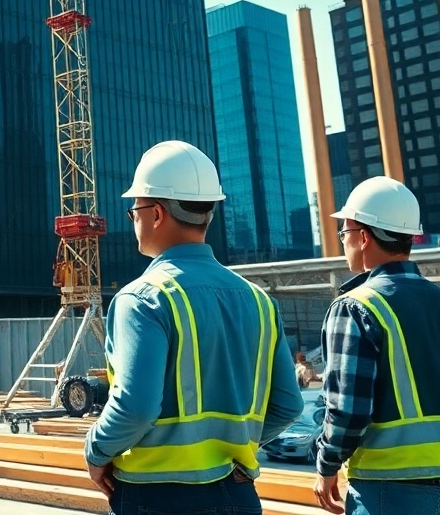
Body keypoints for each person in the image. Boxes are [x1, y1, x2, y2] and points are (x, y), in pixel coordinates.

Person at [84, 141, 304, 515]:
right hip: (238, 494)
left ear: (155, 213)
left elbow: (135, 407)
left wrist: (96, 451)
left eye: (133, 210)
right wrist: (235, 443)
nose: (133, 220)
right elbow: (287, 405)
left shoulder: (142, 298)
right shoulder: (259, 300)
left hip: (158, 496)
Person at [312, 177, 440, 515]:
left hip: (395, 494)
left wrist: (327, 465)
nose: (344, 243)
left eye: (344, 233)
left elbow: (348, 410)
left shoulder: (356, 306)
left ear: (363, 236)